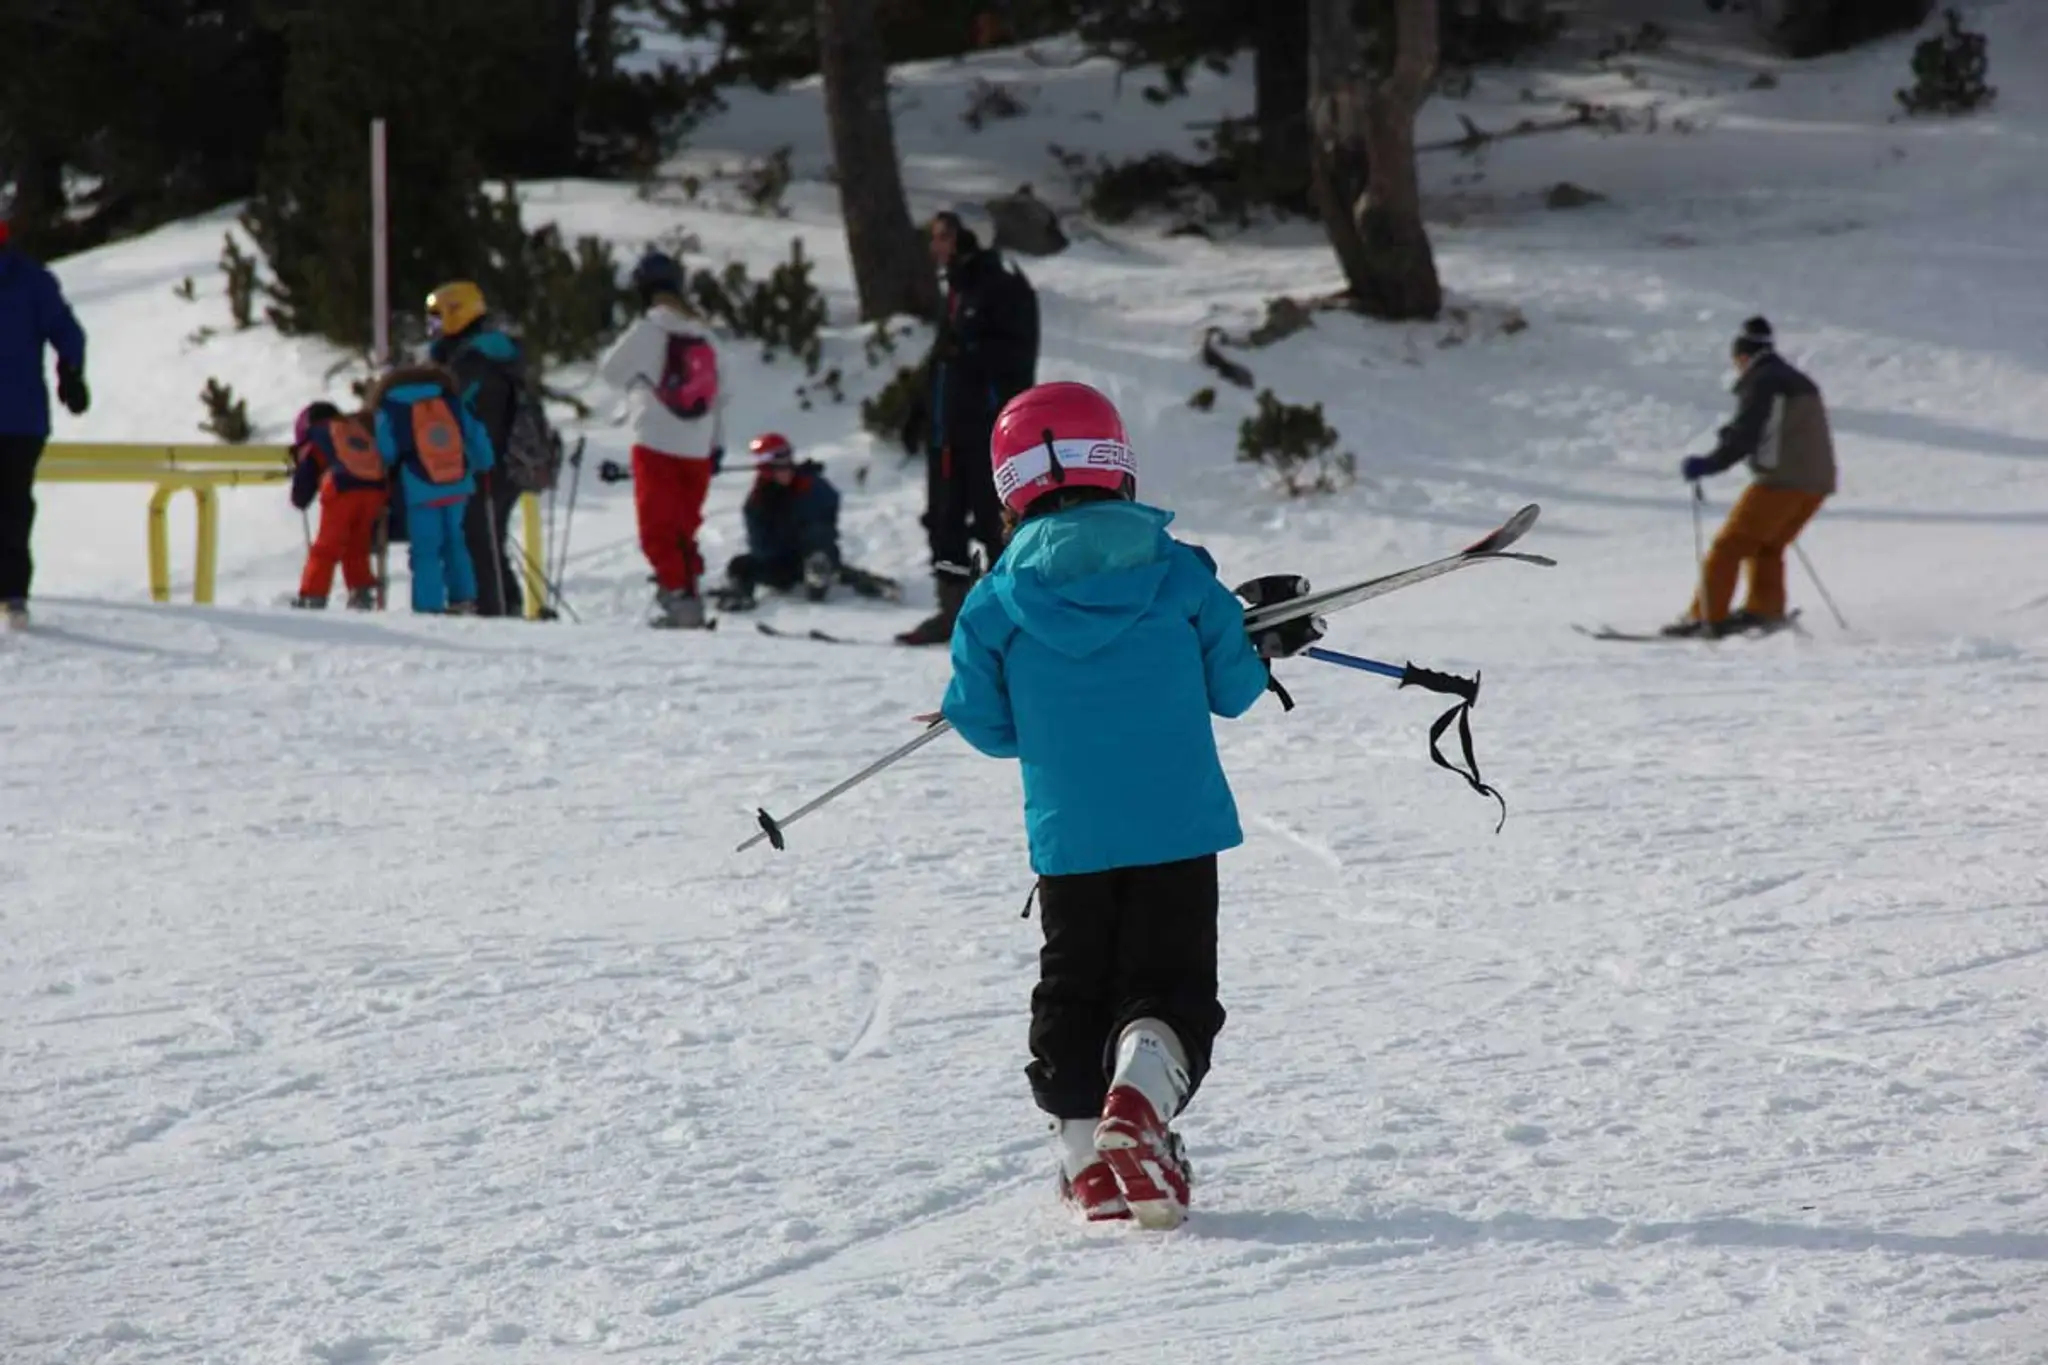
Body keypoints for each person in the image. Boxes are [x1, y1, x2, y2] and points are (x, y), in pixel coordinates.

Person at [939, 381, 1321, 1229]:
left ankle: (1086, 1161)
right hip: (1175, 827)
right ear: (1116, 464)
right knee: (1168, 980)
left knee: (1074, 986)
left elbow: (980, 719)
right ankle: (1140, 1100)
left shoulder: (996, 598)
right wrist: (1264, 640)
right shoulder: (1178, 571)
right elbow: (1233, 687)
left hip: (1070, 838)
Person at [896, 208, 1039, 646]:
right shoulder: (957, 288)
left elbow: (1016, 357)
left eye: (942, 236)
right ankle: (953, 610)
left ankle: (1013, 613)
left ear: (965, 236)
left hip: (986, 429)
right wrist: (919, 410)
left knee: (997, 521)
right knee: (944, 522)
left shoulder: (1002, 284)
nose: (935, 247)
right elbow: (944, 356)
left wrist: (974, 359)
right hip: (947, 431)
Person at [1666, 316, 1837, 638]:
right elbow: (1775, 428)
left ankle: (1705, 617)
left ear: (1743, 356)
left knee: (1728, 547)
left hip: (1783, 480)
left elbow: (1748, 432)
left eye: (1736, 362)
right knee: (1767, 546)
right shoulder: (1794, 379)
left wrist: (1709, 463)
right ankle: (1764, 611)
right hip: (1818, 482)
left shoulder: (1763, 380)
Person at [597, 251, 724, 629]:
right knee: (684, 527)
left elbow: (610, 371)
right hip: (699, 445)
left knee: (657, 530)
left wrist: (641, 383)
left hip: (656, 438)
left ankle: (680, 605)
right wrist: (716, 443)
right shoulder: (704, 332)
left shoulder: (649, 329)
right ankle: (689, 596)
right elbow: (723, 393)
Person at [0, 216, 89, 627]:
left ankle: (12, 595)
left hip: (19, 419)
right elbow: (67, 331)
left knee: (13, 504)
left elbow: (67, 333)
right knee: (14, 505)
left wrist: (71, 372)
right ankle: (12, 595)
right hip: (23, 419)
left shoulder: (31, 281)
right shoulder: (33, 279)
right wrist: (70, 370)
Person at [710, 432, 897, 612]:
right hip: (782, 562)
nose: (786, 469)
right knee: (740, 564)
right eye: (779, 465)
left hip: (815, 553)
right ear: (767, 470)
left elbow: (829, 510)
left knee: (820, 554)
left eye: (788, 461)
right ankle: (739, 594)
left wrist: (813, 481)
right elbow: (760, 546)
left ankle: (857, 582)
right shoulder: (757, 502)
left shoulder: (808, 485)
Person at [425, 280, 524, 618]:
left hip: (488, 464)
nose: (432, 329)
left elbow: (459, 410)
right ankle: (504, 605)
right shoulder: (482, 353)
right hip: (499, 462)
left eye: (437, 319)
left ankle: (494, 613)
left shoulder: (474, 361)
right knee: (486, 540)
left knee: (478, 540)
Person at [367, 364, 495, 615]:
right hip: (457, 483)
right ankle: (464, 598)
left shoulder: (390, 406)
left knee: (426, 549)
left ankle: (429, 606)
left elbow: (388, 451)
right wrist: (484, 464)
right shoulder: (450, 400)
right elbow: (476, 434)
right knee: (455, 543)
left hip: (420, 487)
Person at [288, 401, 388, 610]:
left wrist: (299, 498)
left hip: (342, 489)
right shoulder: (354, 430)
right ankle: (361, 593)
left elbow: (307, 477)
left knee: (326, 547)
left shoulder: (316, 435)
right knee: (357, 545)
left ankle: (312, 595)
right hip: (375, 489)